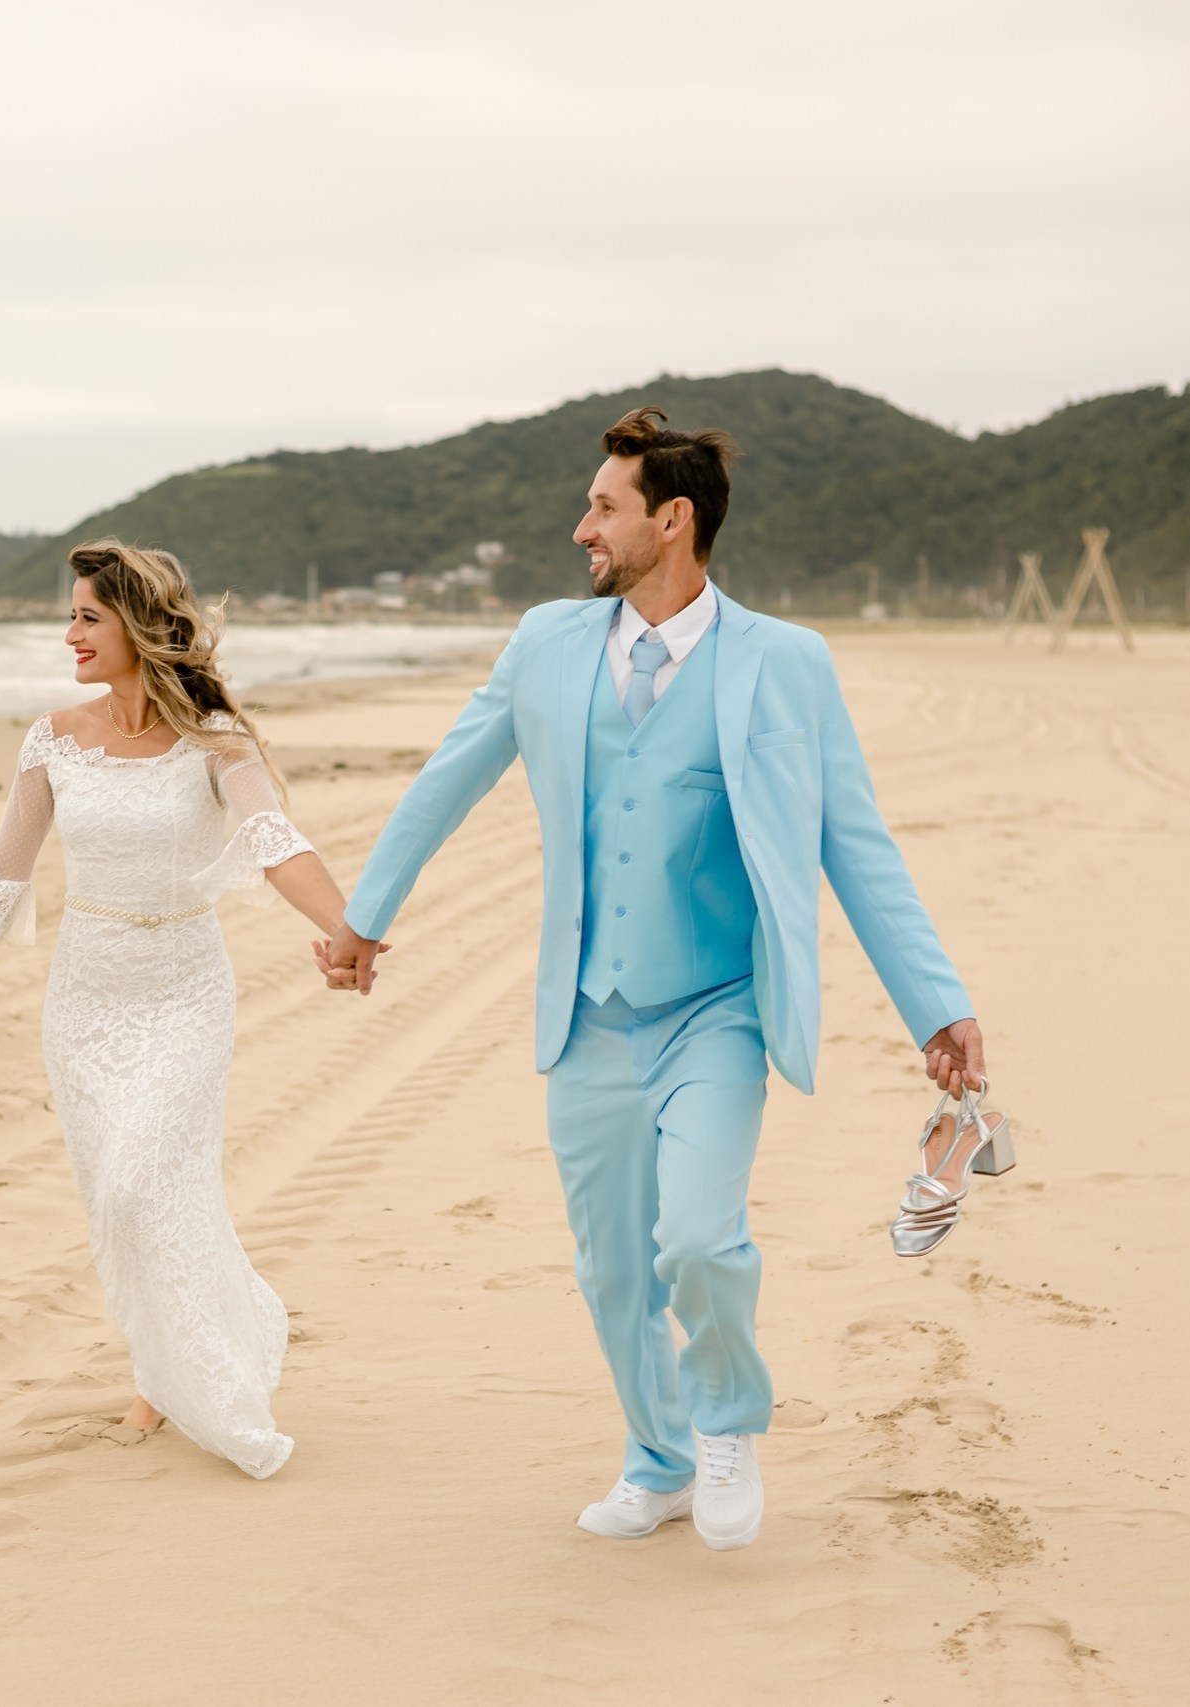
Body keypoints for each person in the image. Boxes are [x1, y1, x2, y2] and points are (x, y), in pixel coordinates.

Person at [319, 408, 988, 1549]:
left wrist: (938, 1004)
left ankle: (724, 1423)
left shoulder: (785, 661)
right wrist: (363, 920)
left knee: (698, 1239)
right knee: (615, 1269)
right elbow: (448, 778)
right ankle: (659, 1458)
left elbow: (855, 842)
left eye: (603, 507)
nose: (581, 528)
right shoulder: (546, 642)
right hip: (588, 1011)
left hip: (715, 1010)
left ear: (671, 520)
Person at [0, 539, 359, 1479]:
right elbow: (1, 876)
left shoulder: (216, 738)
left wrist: (349, 931)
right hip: (85, 999)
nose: (69, 634)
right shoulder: (52, 740)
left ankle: (201, 1360)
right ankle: (159, 1367)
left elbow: (275, 841)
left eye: (87, 617)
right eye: (70, 615)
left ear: (139, 625)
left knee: (148, 1181)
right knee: (118, 1193)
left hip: (185, 990)